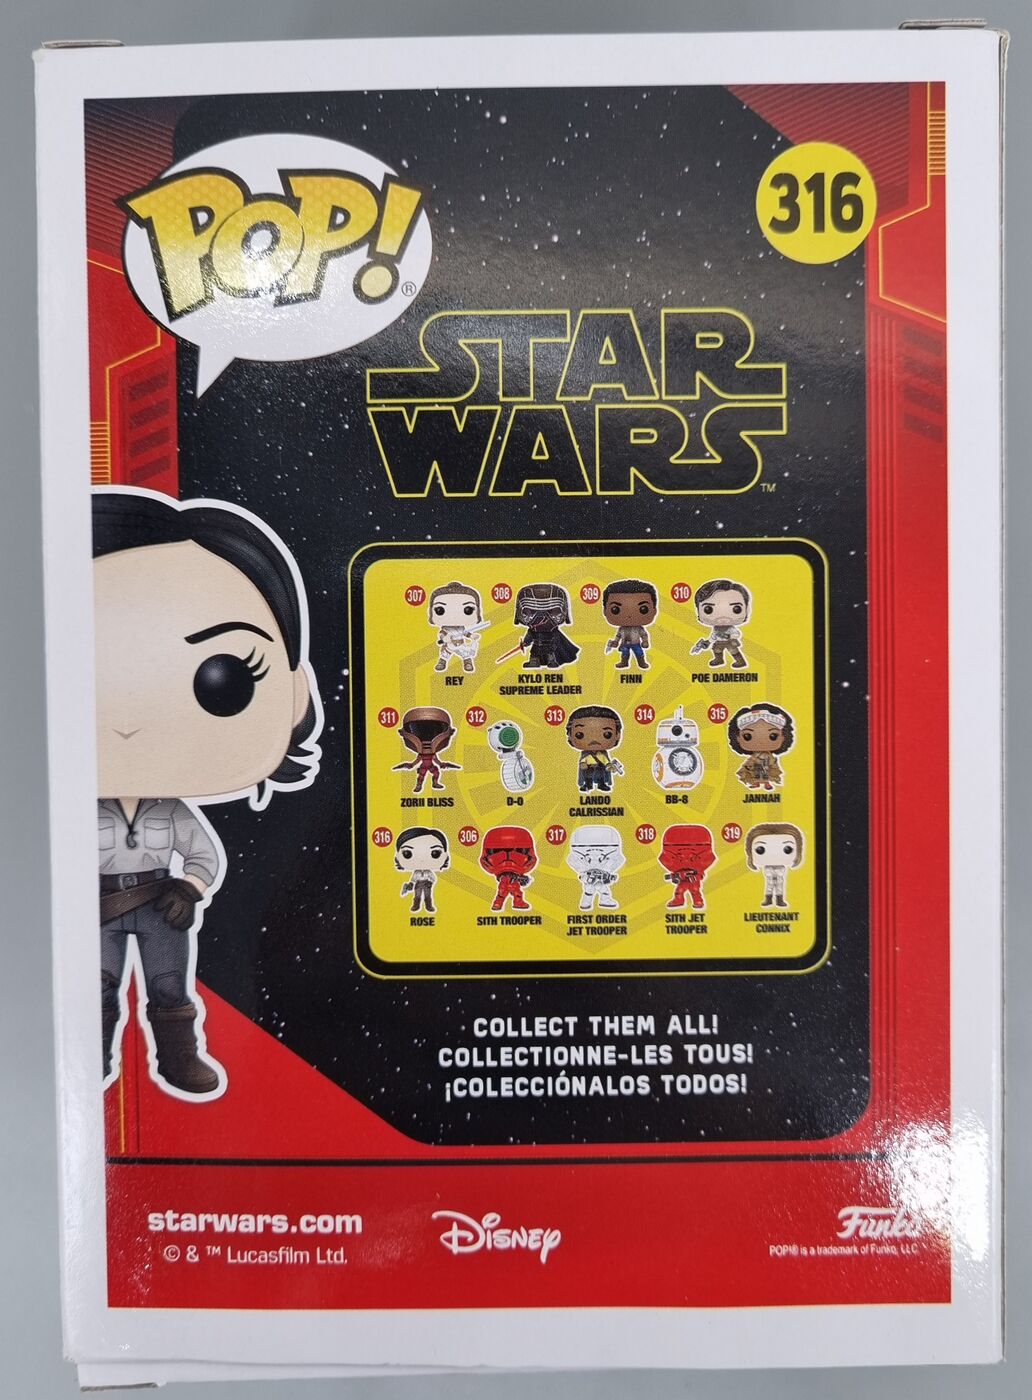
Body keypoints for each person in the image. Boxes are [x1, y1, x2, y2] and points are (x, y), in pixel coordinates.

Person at [93, 488, 322, 1099]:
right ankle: (89, 1062)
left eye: (223, 681)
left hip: (161, 903)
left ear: (294, 695)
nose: (129, 721)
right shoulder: (71, 812)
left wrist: (189, 888)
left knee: (170, 986)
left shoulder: (172, 811)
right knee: (95, 987)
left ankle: (178, 1059)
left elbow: (203, 855)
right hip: (96, 908)